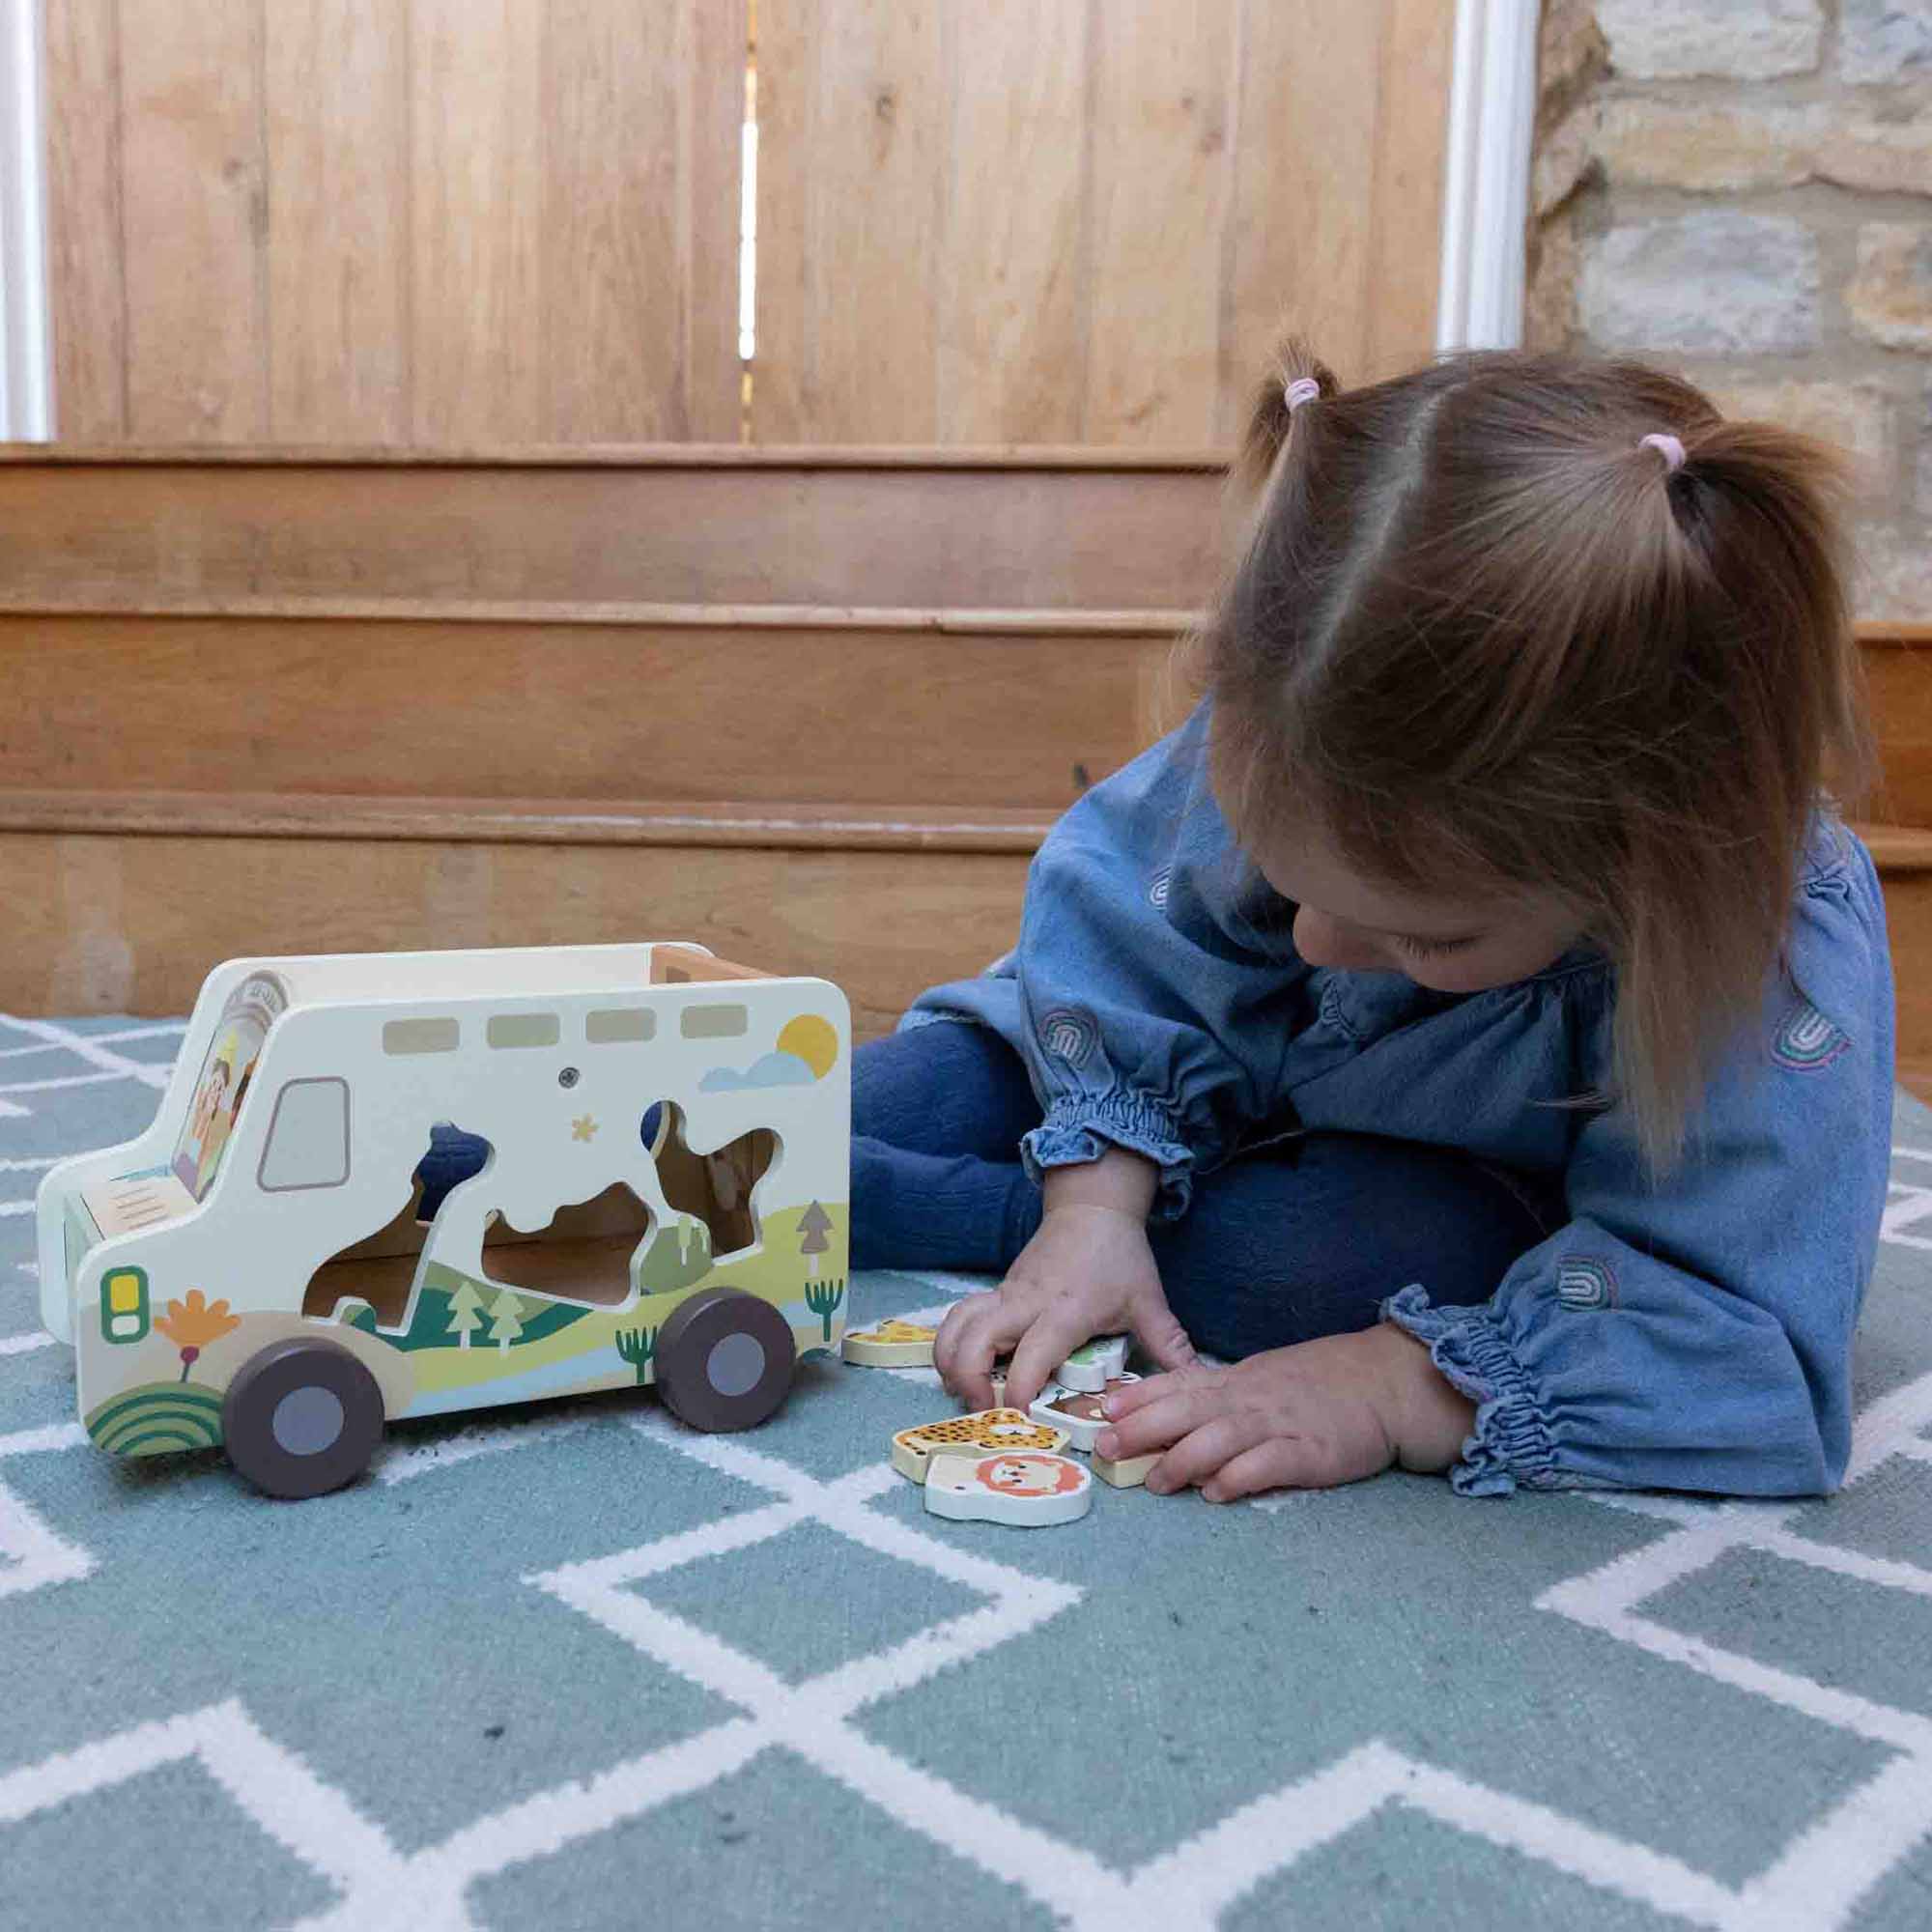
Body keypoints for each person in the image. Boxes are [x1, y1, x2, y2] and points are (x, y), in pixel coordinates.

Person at [850, 343, 1893, 1503]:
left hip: (1429, 1177)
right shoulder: (1296, 716)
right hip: (1163, 1059)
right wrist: (1093, 1198)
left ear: (1639, 864)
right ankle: (1043, 1211)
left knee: (1296, 1273)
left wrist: (1393, 1389)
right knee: (861, 1101)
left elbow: (1742, 1326)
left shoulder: (1763, 944)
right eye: (1286, 882)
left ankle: (967, 1212)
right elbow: (1123, 949)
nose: (1310, 945)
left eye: (1425, 938)